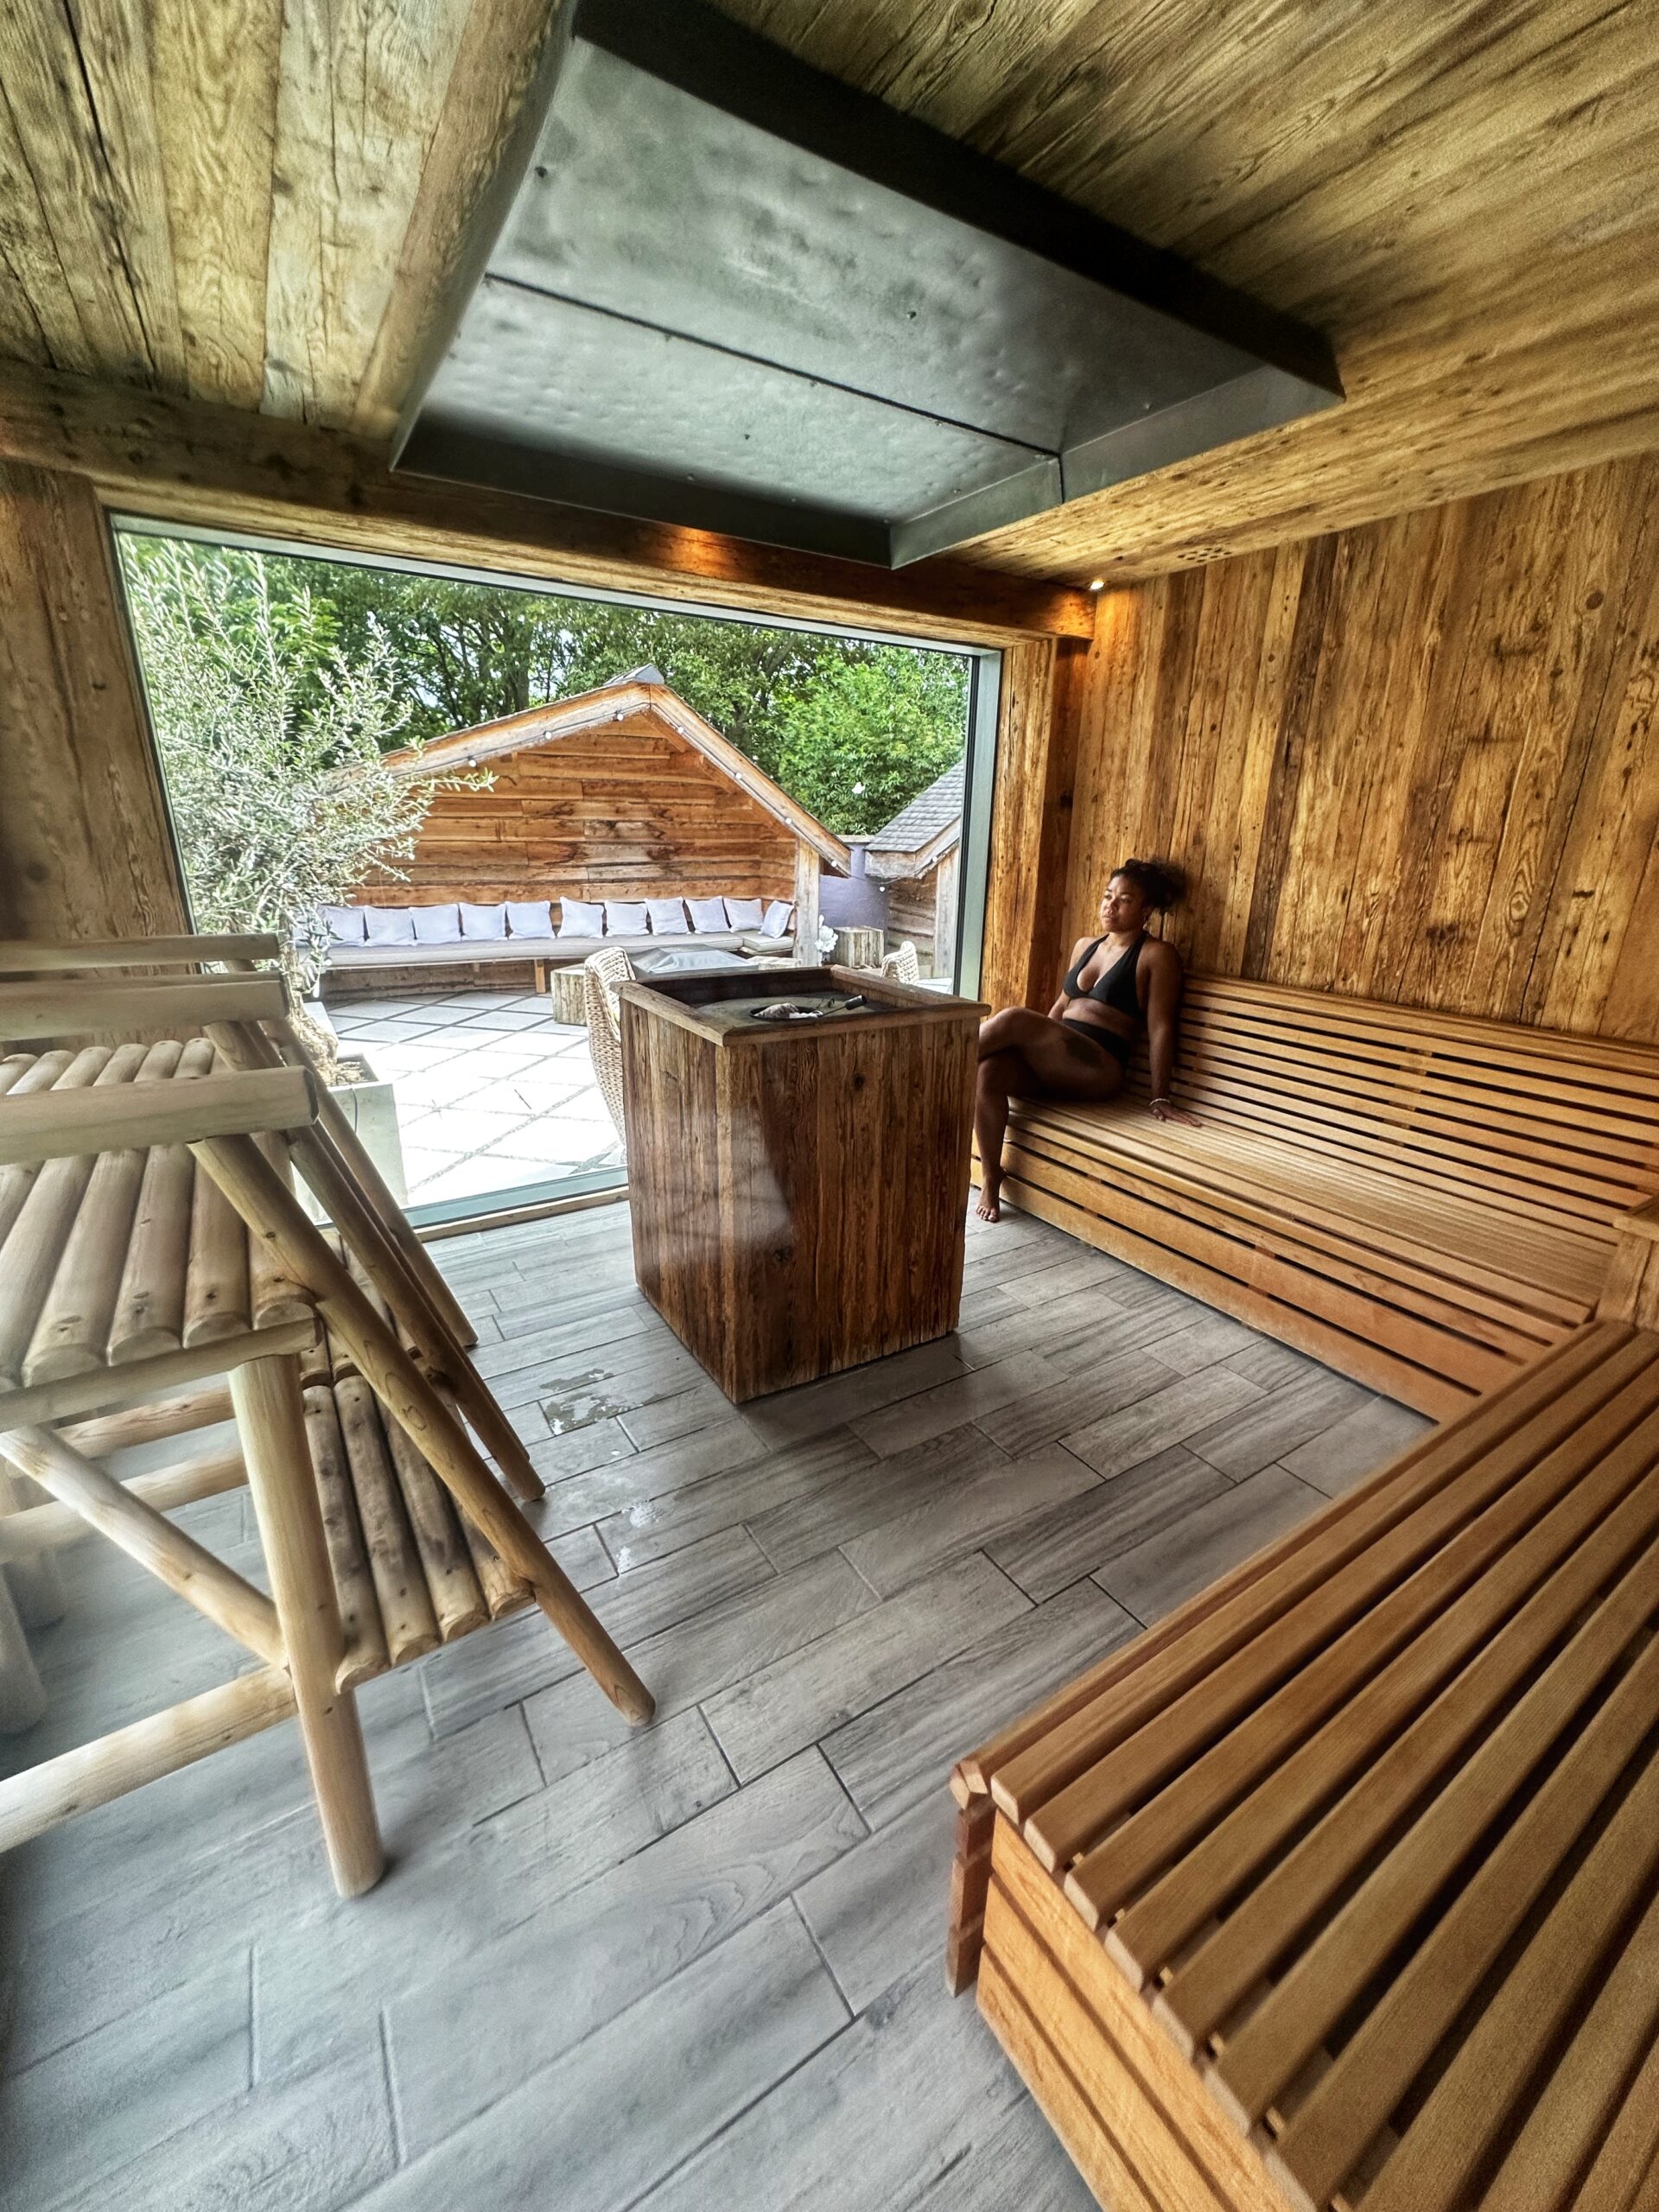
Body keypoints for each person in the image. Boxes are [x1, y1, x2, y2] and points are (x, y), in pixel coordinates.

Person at [974, 859, 1198, 1223]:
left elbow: (1160, 1027)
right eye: (1108, 896)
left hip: (1099, 1067)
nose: (1111, 905)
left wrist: (1160, 1095)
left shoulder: (1157, 955)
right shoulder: (1085, 946)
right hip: (1059, 1061)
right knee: (989, 1071)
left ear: (1147, 910)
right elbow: (1060, 1009)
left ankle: (935, 1064)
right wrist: (1030, 1051)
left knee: (1015, 1017)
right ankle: (990, 1177)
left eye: (1124, 900)